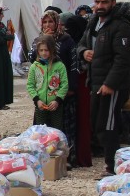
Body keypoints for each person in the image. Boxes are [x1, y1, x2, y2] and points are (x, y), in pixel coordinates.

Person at [76, 0, 130, 176]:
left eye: (104, 2)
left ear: (113, 2)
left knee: (108, 125)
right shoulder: (94, 22)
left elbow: (123, 59)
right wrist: (84, 52)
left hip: (112, 85)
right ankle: (116, 161)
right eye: (97, 2)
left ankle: (112, 167)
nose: (99, 5)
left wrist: (110, 84)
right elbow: (82, 44)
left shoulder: (121, 26)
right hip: (95, 81)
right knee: (98, 124)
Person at [38, 11, 79, 165]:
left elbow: (73, 65)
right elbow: (32, 59)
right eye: (45, 22)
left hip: (63, 91)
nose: (48, 25)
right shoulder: (39, 40)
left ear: (57, 23)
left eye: (51, 22)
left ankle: (65, 158)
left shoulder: (66, 40)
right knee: (43, 127)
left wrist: (70, 87)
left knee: (62, 126)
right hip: (43, 93)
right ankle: (44, 158)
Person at [62, 11, 93, 167]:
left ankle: (79, 156)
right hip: (80, 86)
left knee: (80, 121)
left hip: (80, 86)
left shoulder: (76, 45)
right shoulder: (79, 43)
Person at [27, 35, 68, 131]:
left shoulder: (59, 66)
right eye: (41, 50)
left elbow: (64, 85)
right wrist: (37, 100)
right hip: (40, 105)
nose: (44, 53)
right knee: (40, 132)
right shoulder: (34, 67)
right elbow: (30, 85)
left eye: (46, 50)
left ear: (52, 50)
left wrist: (57, 101)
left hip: (55, 106)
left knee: (56, 131)